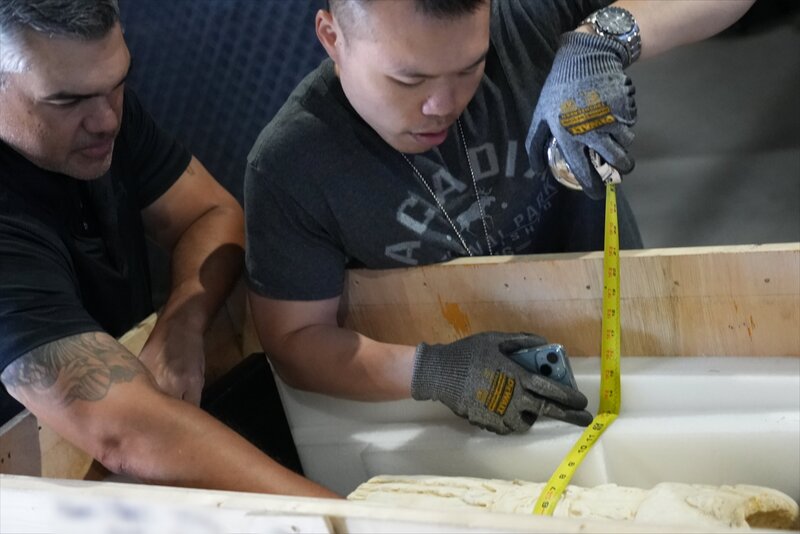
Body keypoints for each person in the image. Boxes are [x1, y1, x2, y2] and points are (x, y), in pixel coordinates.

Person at [244, 0, 755, 436]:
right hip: (443, 413)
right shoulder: (291, 166)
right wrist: (433, 372)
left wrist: (601, 40)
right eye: (409, 79)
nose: (443, 105)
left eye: (471, 67)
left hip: (621, 336)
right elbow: (294, 340)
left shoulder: (524, 20)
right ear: (332, 37)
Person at [0, 0, 338, 498]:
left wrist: (183, 321)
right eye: (67, 101)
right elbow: (125, 433)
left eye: (118, 83)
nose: (107, 121)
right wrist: (348, 521)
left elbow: (213, 214)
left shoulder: (100, 114)